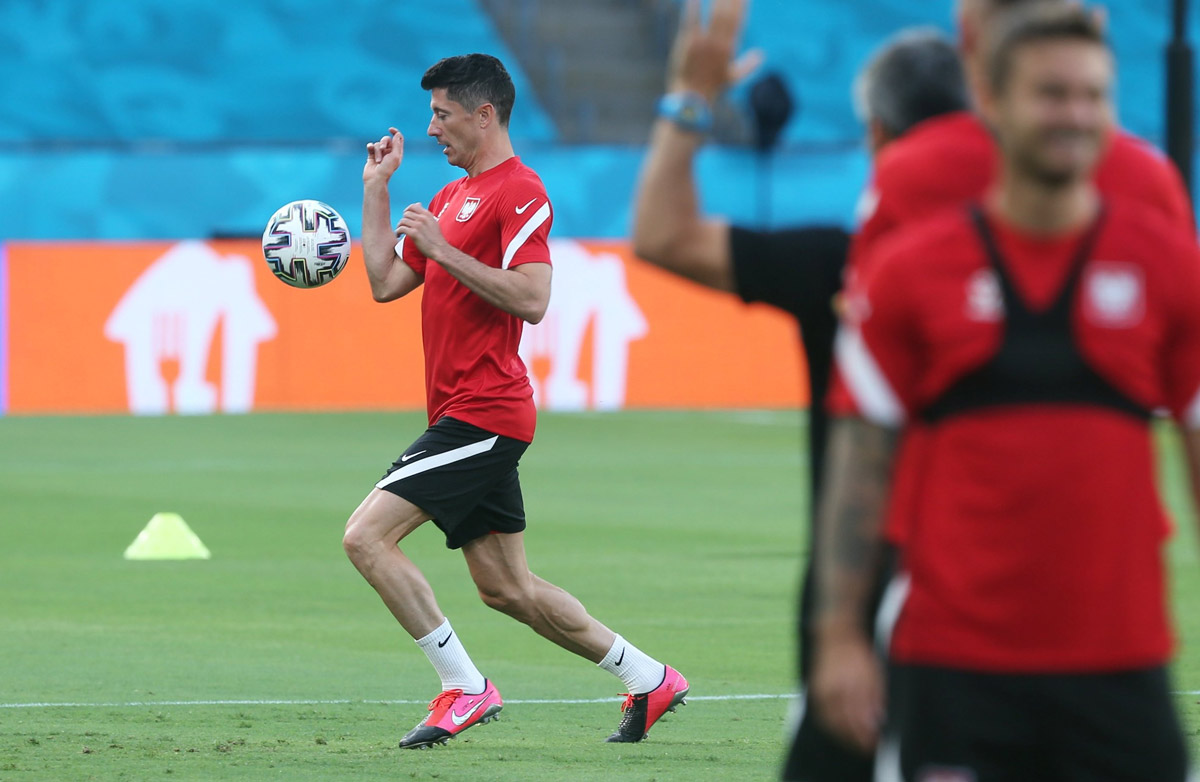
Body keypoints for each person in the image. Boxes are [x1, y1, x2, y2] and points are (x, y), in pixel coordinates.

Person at [812, 6, 1198, 779]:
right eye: (1052, 94)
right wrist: (838, 635)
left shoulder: (1164, 257)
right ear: (989, 96)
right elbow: (859, 465)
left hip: (1120, 649)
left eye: (1094, 96)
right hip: (952, 651)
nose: (1076, 116)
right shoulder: (913, 262)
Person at [632, 1, 969, 779]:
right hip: (1011, 607)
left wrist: (690, 98)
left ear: (877, 135)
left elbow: (660, 234)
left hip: (852, 612)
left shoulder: (839, 267)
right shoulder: (1038, 265)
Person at [349, 52, 687, 750]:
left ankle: (464, 688)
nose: (432, 128)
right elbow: (384, 282)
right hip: (458, 413)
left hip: (486, 412)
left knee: (366, 538)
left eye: (442, 114)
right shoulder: (447, 198)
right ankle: (650, 678)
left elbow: (534, 299)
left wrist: (444, 252)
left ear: (484, 113)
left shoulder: (521, 191)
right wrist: (377, 190)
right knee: (508, 590)